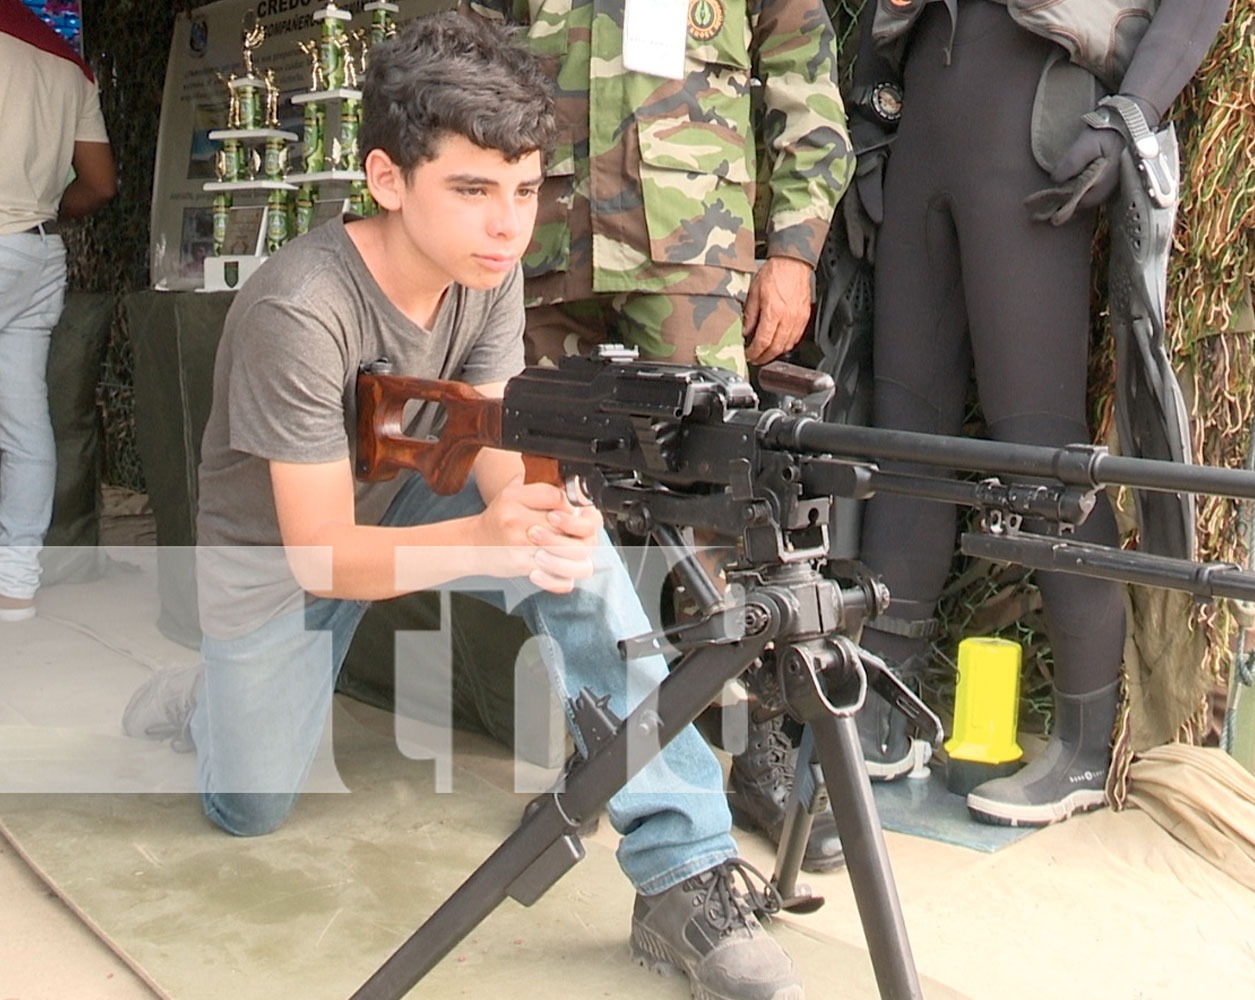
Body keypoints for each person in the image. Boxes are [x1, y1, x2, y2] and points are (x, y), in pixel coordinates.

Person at [121, 14, 801, 999]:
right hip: (282, 556)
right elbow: (318, 554)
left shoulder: (487, 271)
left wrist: (541, 517)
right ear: (388, 179)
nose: (508, 225)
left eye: (526, 191)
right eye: (474, 190)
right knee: (250, 803)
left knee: (581, 559)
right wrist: (485, 535)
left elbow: (494, 436)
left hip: (408, 494)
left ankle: (682, 878)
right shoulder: (299, 309)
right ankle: (210, 702)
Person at [462, 0, 853, 871]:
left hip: (690, 246)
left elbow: (804, 81)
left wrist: (792, 250)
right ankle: (602, 740)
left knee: (718, 506)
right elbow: (470, 64)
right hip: (543, 252)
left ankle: (752, 743)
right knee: (558, 508)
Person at [844, 0, 1229, 824]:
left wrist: (1132, 115)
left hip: (1034, 130)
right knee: (903, 434)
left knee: (1040, 447)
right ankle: (882, 703)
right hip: (927, 126)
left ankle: (1087, 746)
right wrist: (875, 112)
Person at [0, 0, 116, 623]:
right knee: (24, 424)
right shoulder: (68, 62)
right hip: (39, 255)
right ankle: (15, 585)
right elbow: (98, 183)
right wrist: (41, 207)